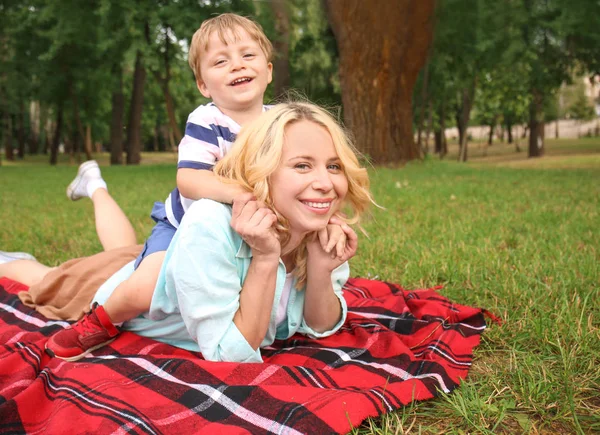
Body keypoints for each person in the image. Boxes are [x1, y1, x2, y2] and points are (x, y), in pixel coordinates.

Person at [40, 14, 343, 359]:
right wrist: (246, 194)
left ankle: (96, 187)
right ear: (203, 84)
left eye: (247, 55)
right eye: (220, 61)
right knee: (145, 286)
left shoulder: (281, 122)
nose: (236, 66)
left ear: (269, 70)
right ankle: (101, 321)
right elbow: (189, 179)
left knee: (128, 257)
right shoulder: (208, 120)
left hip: (239, 230)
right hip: (184, 224)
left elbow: (303, 175)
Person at [1, 102, 373, 362]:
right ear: (260, 172)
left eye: (335, 166)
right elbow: (231, 356)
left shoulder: (317, 229)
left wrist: (321, 270)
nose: (325, 183)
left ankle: (95, 186)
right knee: (49, 277)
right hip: (131, 288)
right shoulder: (212, 223)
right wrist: (265, 258)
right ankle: (25, 246)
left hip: (171, 260)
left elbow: (320, 326)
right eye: (303, 166)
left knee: (128, 251)